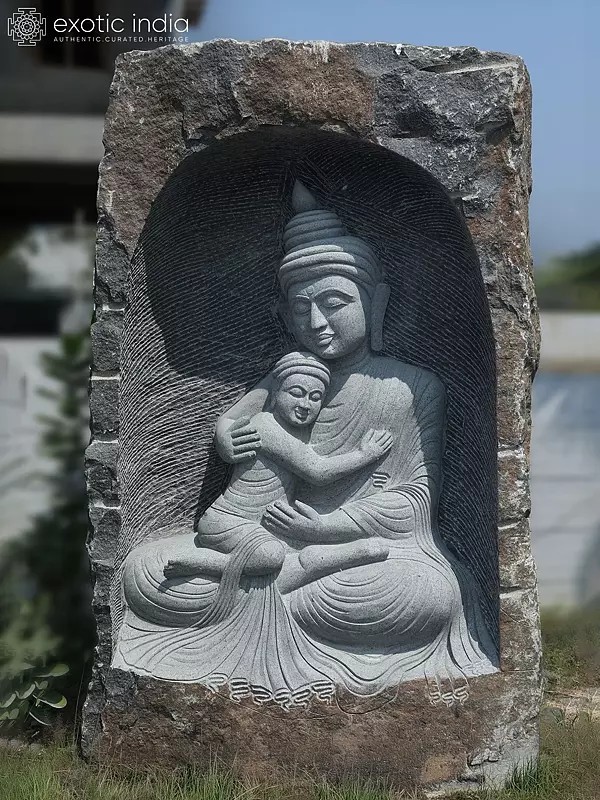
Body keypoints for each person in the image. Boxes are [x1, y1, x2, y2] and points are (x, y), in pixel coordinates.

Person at [115, 181, 497, 706]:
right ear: (284, 315)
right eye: (302, 308)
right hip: (259, 542)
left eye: (335, 302)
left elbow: (413, 502)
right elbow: (235, 430)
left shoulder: (410, 388)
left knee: (429, 597)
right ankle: (266, 589)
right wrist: (228, 436)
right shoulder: (282, 382)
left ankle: (262, 595)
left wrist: (325, 527)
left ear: (374, 300)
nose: (317, 323)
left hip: (353, 562)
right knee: (142, 570)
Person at [162, 350, 392, 582]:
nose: (305, 404)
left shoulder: (297, 432)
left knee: (298, 549)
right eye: (297, 393)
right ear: (274, 394)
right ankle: (203, 564)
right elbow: (317, 471)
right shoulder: (265, 425)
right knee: (271, 556)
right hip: (229, 521)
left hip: (262, 526)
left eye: (315, 398)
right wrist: (365, 455)